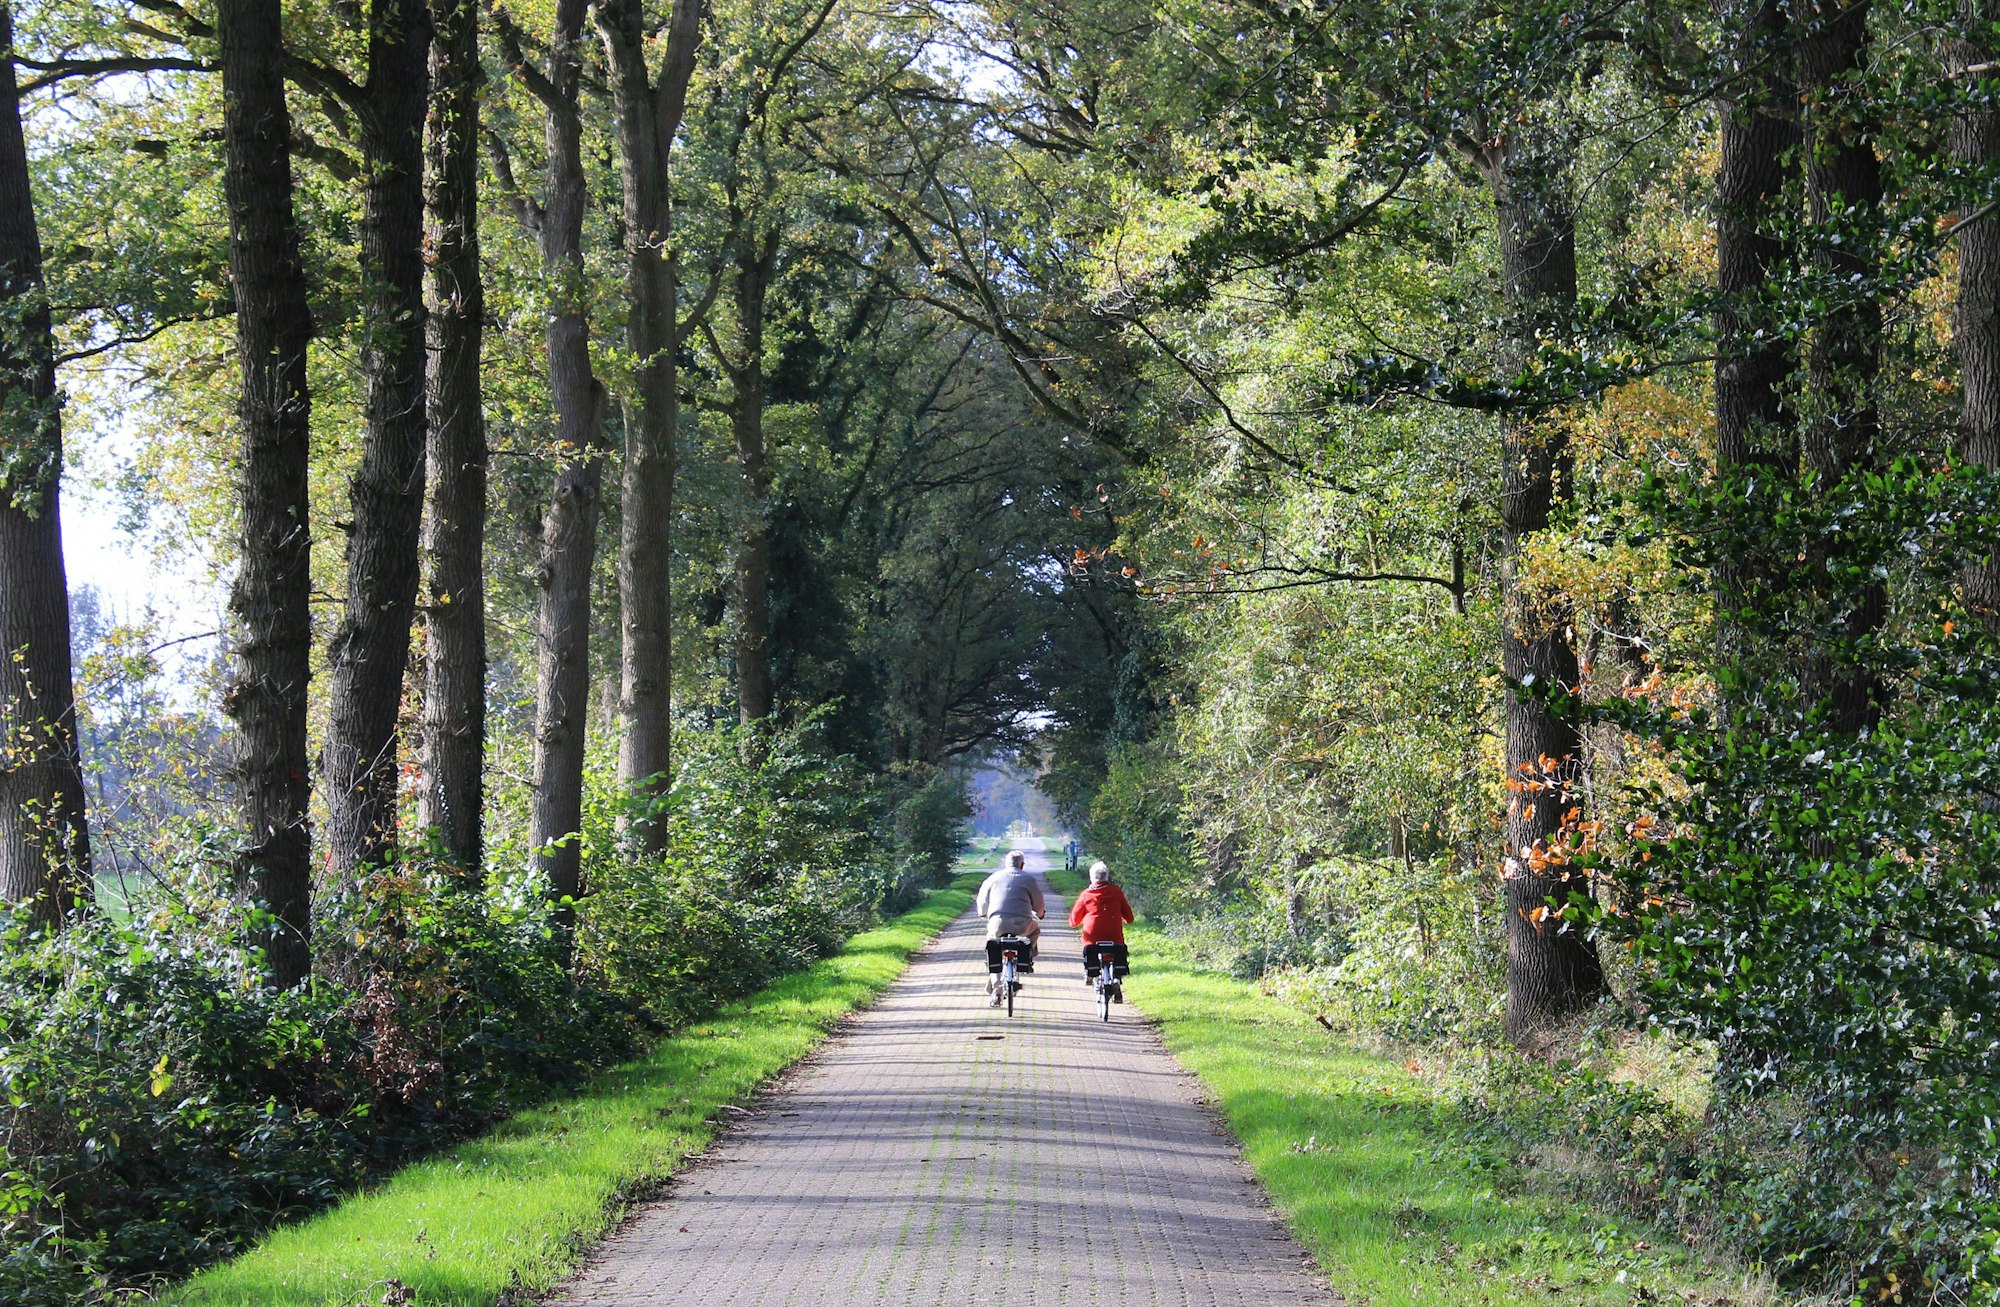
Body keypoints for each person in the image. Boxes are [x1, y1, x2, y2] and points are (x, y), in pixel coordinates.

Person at [976, 849, 1045, 1006]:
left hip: (997, 922)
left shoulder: (992, 878)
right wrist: (1040, 914)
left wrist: (983, 914)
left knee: (993, 948)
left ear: (1005, 864)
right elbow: (1039, 904)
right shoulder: (1029, 880)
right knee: (1035, 930)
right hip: (1022, 924)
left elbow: (982, 902)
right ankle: (1027, 957)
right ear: (1022, 865)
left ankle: (996, 990)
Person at [1068, 860, 1134, 980]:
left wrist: (1075, 922)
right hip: (1114, 937)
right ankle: (1117, 980)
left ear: (1091, 877)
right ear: (1107, 876)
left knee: (1090, 950)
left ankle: (1090, 974)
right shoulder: (1116, 892)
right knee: (1118, 951)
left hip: (1092, 937)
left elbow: (1074, 921)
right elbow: (1129, 918)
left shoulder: (1086, 895)